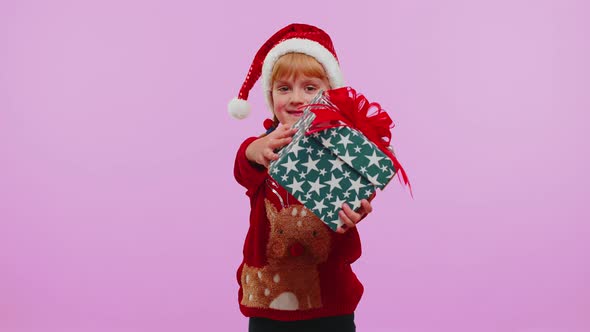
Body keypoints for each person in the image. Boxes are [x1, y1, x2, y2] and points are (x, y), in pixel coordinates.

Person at [228, 23, 373, 332]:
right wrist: (255, 148)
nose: (296, 98)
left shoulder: (342, 150)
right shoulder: (267, 145)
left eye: (310, 87)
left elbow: (357, 198)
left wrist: (357, 208)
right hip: (269, 300)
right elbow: (243, 167)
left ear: (329, 93)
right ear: (271, 95)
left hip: (330, 299)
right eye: (284, 88)